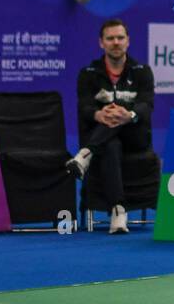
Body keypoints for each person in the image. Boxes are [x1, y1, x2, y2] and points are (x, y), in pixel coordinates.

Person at [66, 19, 155, 234]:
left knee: (122, 107)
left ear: (128, 41)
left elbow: (146, 104)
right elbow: (84, 107)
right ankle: (118, 210)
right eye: (110, 38)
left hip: (135, 137)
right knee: (111, 145)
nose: (116, 42)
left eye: (120, 38)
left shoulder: (142, 71)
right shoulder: (88, 73)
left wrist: (128, 114)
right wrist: (98, 114)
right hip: (105, 137)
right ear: (101, 43)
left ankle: (85, 155)